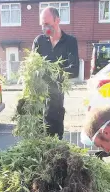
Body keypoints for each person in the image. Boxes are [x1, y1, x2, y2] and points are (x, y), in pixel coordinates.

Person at [32, 7, 79, 139]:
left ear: (57, 21)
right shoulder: (39, 41)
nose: (45, 27)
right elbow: (32, 68)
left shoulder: (70, 42)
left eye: (47, 24)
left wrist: (51, 73)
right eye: (42, 24)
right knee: (37, 140)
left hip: (56, 102)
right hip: (38, 101)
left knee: (54, 141)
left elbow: (74, 69)